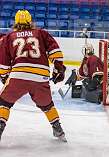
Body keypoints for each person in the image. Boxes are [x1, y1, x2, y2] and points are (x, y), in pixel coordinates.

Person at [0, 10, 67, 142]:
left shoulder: (9, 37)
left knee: (4, 102)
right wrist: (58, 68)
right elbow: (55, 51)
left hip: (19, 74)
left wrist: (4, 76)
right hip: (40, 75)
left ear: (16, 22)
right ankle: (58, 129)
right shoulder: (41, 33)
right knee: (47, 104)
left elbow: (3, 61)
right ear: (30, 22)